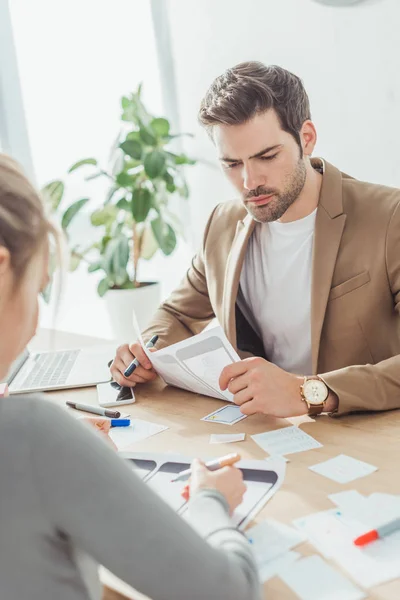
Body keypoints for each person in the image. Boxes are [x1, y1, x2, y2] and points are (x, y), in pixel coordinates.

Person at [0, 154, 261, 600]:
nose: (35, 315)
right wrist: (210, 499)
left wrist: (70, 455)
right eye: (38, 286)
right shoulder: (29, 435)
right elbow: (227, 591)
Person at [111, 60, 400, 419]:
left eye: (267, 156)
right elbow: (177, 315)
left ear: (306, 138)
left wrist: (309, 392)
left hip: (368, 432)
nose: (249, 181)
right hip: (268, 432)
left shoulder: (390, 216)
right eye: (231, 164)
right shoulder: (222, 223)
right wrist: (144, 352)